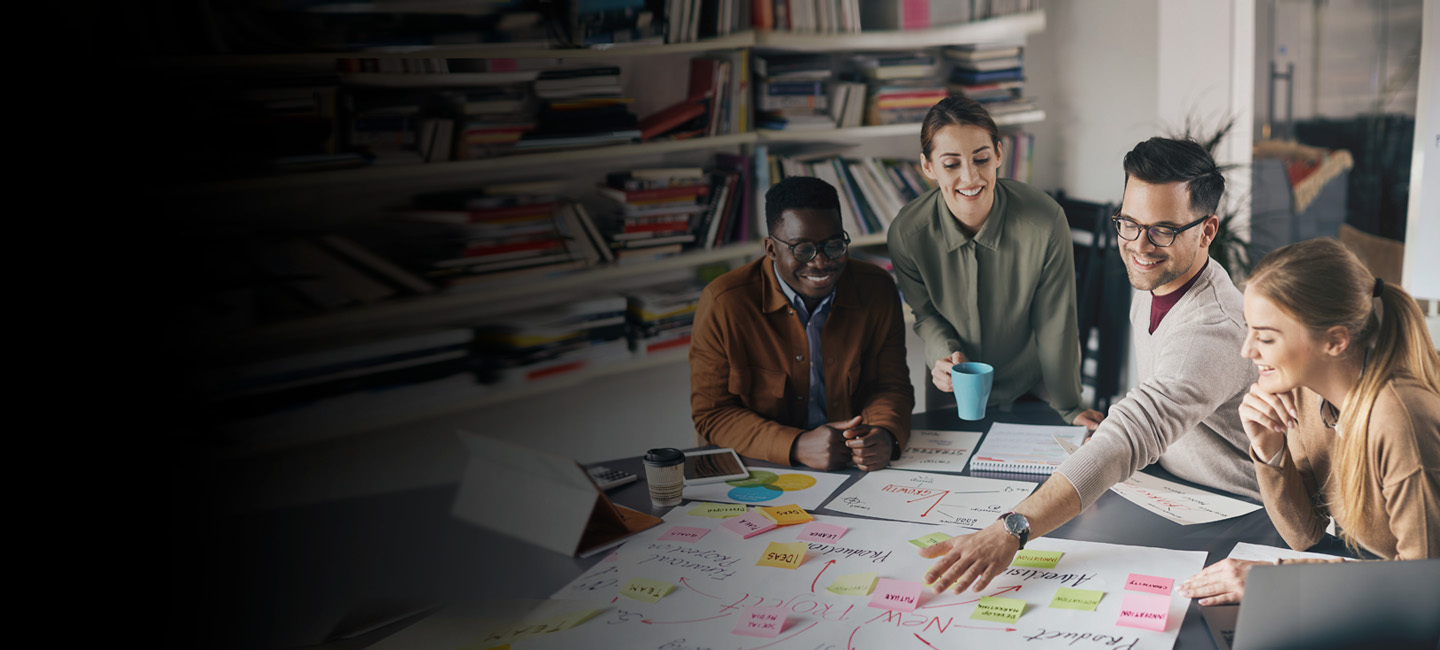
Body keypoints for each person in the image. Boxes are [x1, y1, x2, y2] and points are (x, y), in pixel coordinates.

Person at [918, 137, 1262, 594]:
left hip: (1236, 518)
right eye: (1129, 223)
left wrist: (1012, 529)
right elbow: (1160, 399)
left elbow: (1136, 430)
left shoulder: (1212, 327)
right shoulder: (1160, 279)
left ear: (1207, 231)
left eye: (1163, 229)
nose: (1140, 245)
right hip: (1171, 492)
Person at [1178, 238, 1440, 605]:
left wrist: (1278, 582)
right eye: (1249, 329)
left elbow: (1424, 587)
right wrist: (1269, 451)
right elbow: (1304, 534)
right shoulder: (1304, 391)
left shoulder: (1401, 419)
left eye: (1266, 337)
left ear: (1335, 341)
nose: (1247, 350)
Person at [887, 96, 1103, 429]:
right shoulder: (907, 233)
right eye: (951, 164)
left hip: (1036, 380)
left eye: (981, 159)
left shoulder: (1045, 220)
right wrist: (943, 356)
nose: (970, 177)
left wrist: (1070, 407)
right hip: (956, 384)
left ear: (999, 154)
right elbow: (926, 314)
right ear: (928, 167)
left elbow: (1055, 320)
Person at [689, 176, 914, 471]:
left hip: (852, 467)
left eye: (834, 245)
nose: (821, 262)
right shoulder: (723, 302)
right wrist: (796, 445)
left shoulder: (877, 288)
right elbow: (712, 413)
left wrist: (883, 433)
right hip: (759, 467)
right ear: (770, 249)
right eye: (802, 249)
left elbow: (890, 385)